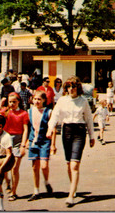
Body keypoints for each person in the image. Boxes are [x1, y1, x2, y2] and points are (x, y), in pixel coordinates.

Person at [46, 76, 95, 207]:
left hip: (79, 131)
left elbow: (89, 119)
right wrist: (50, 129)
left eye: (73, 86)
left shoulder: (83, 101)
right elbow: (55, 115)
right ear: (66, 88)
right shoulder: (62, 100)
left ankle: (71, 195)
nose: (71, 89)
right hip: (66, 130)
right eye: (69, 86)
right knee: (69, 164)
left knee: (74, 165)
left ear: (78, 88)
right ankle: (74, 187)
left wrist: (92, 136)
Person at [0, 92, 29, 201]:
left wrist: (23, 145)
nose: (11, 104)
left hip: (18, 140)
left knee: (15, 168)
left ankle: (14, 192)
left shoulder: (24, 113)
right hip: (6, 140)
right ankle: (8, 183)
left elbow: (25, 129)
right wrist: (0, 104)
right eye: (10, 102)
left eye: (14, 102)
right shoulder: (5, 112)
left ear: (19, 102)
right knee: (4, 167)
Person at [26, 91, 56, 201]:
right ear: (32, 100)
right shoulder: (29, 111)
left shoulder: (49, 112)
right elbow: (28, 127)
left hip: (44, 141)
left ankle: (46, 181)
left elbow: (53, 129)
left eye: (39, 99)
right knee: (35, 167)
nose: (37, 101)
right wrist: (25, 141)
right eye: (35, 99)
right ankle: (36, 191)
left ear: (44, 100)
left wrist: (53, 144)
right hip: (33, 141)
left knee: (44, 166)